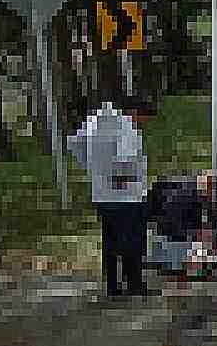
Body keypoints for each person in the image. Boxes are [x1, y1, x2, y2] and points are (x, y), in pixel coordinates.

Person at [67, 96, 157, 297]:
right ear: (134, 112)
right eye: (144, 119)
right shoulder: (126, 128)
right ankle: (134, 283)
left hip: (101, 194)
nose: (143, 125)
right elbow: (125, 156)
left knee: (110, 241)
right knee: (133, 241)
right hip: (127, 195)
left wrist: (92, 169)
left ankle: (113, 285)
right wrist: (120, 174)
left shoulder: (94, 121)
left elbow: (74, 144)